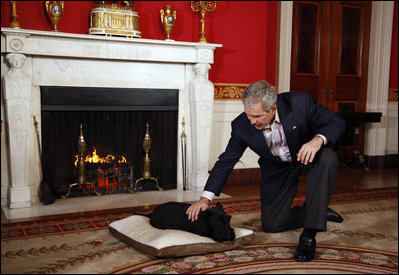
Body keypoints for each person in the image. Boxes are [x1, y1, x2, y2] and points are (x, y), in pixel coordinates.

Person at [186, 80, 346, 262]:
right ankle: (317, 210)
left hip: (306, 156)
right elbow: (226, 161)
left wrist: (317, 140)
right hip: (278, 168)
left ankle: (309, 236)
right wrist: (204, 199)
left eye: (257, 116)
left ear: (273, 109)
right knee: (272, 224)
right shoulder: (241, 126)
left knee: (327, 157)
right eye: (248, 115)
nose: (252, 121)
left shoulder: (300, 103)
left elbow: (336, 121)